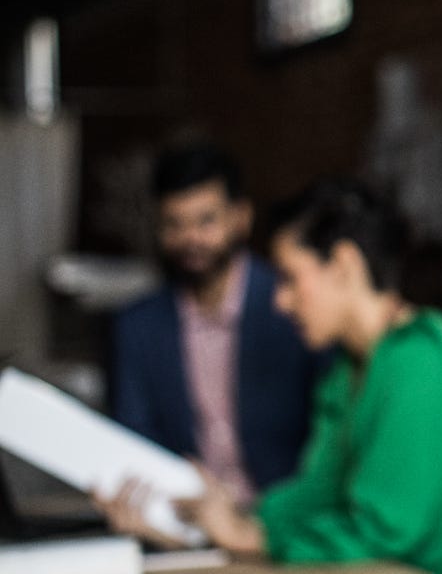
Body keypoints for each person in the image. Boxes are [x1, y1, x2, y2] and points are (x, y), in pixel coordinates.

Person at [170, 180, 442, 573]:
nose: (280, 301)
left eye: (289, 277)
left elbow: (384, 532)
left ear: (344, 265)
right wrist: (238, 515)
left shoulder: (420, 359)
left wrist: (251, 536)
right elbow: (321, 492)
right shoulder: (345, 372)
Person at [110, 142, 323, 506]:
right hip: (183, 524)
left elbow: (327, 437)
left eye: (206, 221)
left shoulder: (294, 307)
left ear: (240, 217)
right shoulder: (137, 328)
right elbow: (134, 442)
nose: (190, 239)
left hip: (287, 522)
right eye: (174, 224)